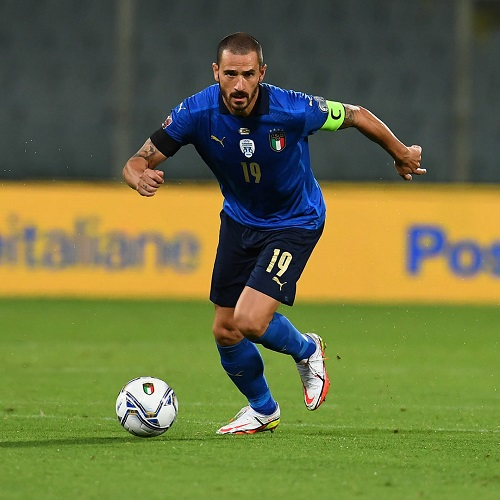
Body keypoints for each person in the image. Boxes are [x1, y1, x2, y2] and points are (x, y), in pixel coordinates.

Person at [122, 32, 426, 435]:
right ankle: (263, 409)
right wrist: (137, 177)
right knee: (225, 329)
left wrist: (400, 152)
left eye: (248, 74)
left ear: (262, 73)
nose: (240, 84)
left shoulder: (292, 108)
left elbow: (356, 114)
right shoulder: (195, 113)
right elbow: (138, 160)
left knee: (248, 319)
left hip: (295, 221)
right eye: (230, 74)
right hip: (239, 221)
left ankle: (307, 350)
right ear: (216, 73)